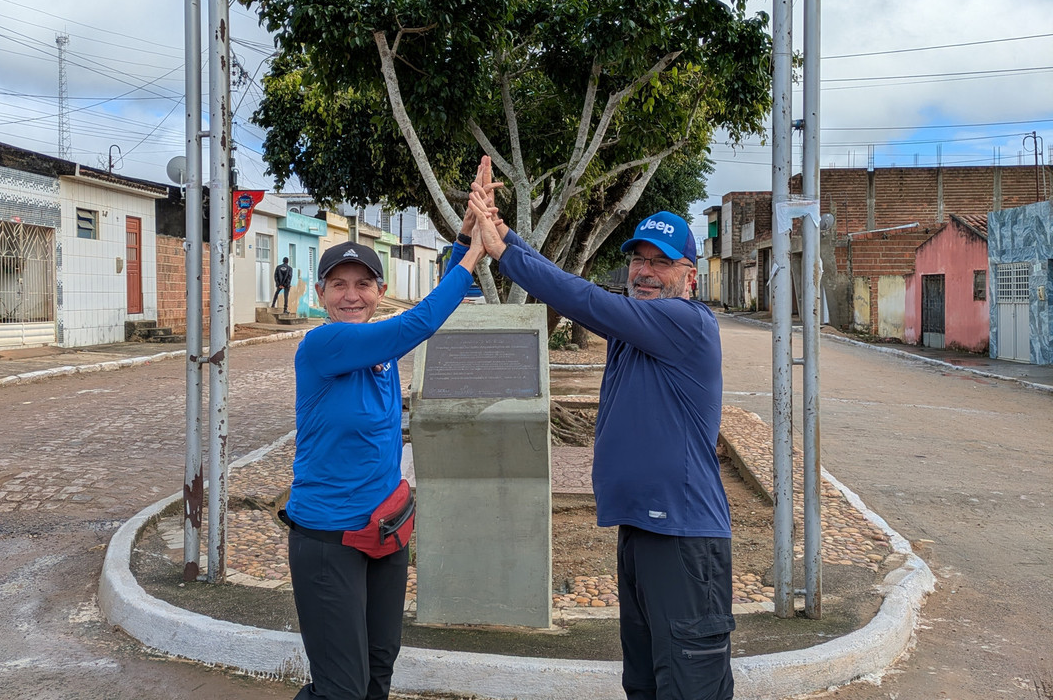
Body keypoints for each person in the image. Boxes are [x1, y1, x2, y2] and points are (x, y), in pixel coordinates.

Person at [467, 165, 734, 700]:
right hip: (641, 530)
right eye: (638, 258)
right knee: (642, 683)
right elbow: (588, 296)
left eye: (663, 262)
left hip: (683, 538)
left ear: (691, 277)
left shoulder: (688, 325)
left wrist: (504, 252)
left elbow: (584, 299)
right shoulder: (632, 330)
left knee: (689, 688)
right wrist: (505, 231)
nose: (646, 271)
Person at [282, 171, 492, 700]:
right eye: (339, 284)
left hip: (384, 531)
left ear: (379, 291)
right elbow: (415, 323)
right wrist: (473, 258)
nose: (351, 294)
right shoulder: (323, 346)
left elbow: (406, 327)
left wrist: (466, 238)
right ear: (321, 294)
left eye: (363, 284)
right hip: (328, 539)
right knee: (341, 689)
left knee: (378, 672)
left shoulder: (379, 355)